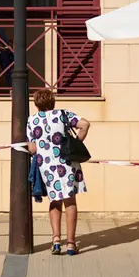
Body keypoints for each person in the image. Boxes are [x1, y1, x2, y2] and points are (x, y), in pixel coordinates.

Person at [26, 89, 91, 256]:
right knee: (70, 202)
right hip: (67, 162)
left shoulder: (32, 120)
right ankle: (70, 244)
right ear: (52, 101)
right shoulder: (63, 115)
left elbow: (32, 148)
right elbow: (85, 124)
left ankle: (56, 241)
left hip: (47, 166)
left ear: (36, 104)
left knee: (55, 202)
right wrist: (76, 143)